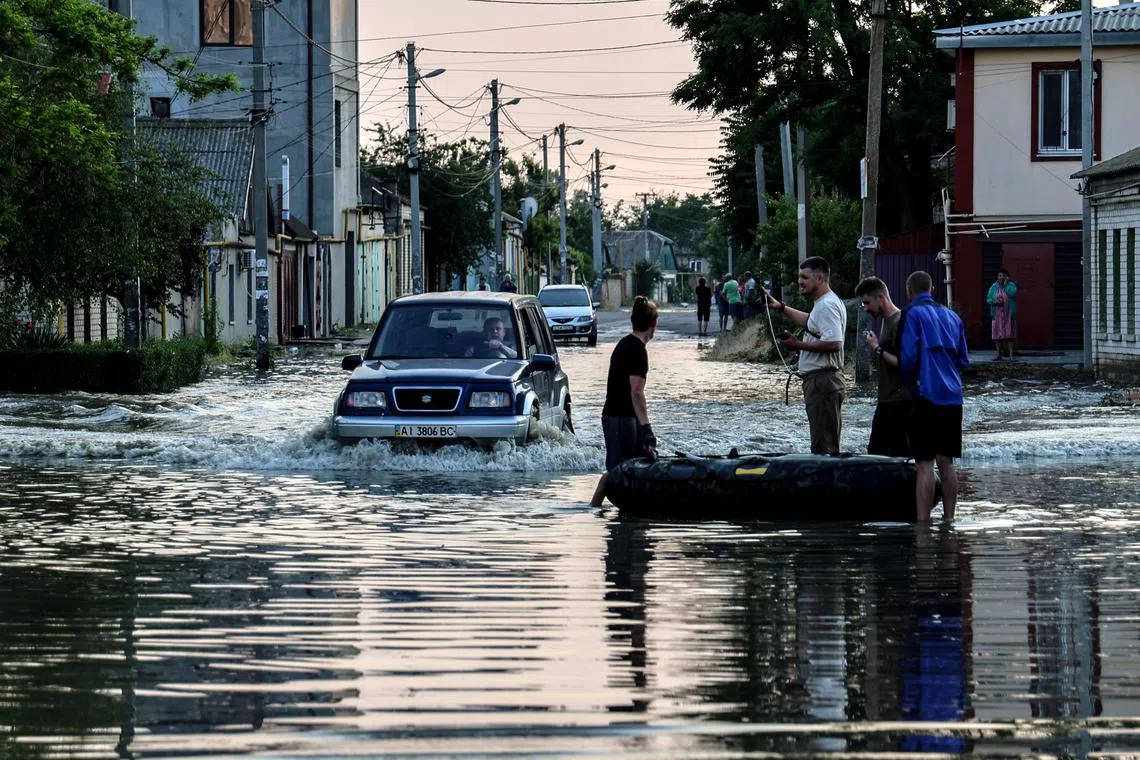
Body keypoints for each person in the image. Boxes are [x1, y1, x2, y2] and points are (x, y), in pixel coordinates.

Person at [899, 270, 970, 521]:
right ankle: (949, 519)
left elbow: (907, 359)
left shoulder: (912, 314)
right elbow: (963, 360)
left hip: (926, 395)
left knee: (925, 464)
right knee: (946, 461)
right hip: (953, 396)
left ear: (909, 291)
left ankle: (923, 523)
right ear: (932, 290)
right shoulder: (953, 317)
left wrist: (911, 386)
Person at [763, 257, 847, 454]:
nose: (800, 281)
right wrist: (781, 307)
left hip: (823, 382)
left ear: (819, 279)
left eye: (804, 277)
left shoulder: (826, 305)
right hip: (822, 382)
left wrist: (797, 344)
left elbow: (835, 343)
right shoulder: (824, 303)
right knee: (823, 442)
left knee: (823, 447)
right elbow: (810, 322)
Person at [590, 296, 659, 508]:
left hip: (622, 416)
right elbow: (637, 393)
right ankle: (593, 508)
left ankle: (631, 513)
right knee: (617, 470)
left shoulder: (626, 344)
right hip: (619, 417)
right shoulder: (637, 350)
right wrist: (647, 428)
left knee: (635, 464)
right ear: (653, 325)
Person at [856, 276, 911, 457]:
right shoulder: (885, 321)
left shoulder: (900, 321)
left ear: (880, 298)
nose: (865, 308)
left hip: (900, 402)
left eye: (867, 303)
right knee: (875, 451)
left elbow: (904, 363)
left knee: (898, 454)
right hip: (886, 400)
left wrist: (877, 348)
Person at [986, 268, 1017, 361]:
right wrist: (993, 301)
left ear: (1007, 277)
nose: (1001, 277)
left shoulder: (1011, 285)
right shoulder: (993, 287)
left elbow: (1012, 294)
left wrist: (1005, 285)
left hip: (1009, 314)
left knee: (1010, 335)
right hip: (997, 315)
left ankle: (1011, 356)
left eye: (1003, 275)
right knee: (997, 335)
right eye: (1000, 275)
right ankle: (998, 355)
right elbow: (988, 298)